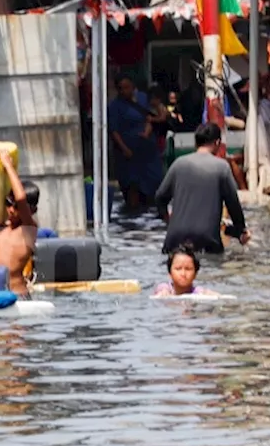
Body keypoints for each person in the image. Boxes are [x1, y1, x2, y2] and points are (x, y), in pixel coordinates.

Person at [156, 123, 251, 255]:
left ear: (196, 142)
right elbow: (233, 204)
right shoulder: (221, 167)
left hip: (175, 239)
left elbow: (160, 197)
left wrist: (167, 219)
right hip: (207, 240)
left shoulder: (178, 164)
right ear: (217, 143)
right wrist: (241, 231)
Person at [0, 151, 40, 298]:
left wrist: (9, 167)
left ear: (32, 210)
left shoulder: (28, 230)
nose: (10, 210)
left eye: (16, 206)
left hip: (17, 295)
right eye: (8, 204)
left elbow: (21, 198)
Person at [108, 74, 165, 213]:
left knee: (153, 185)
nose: (124, 91)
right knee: (132, 188)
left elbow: (156, 113)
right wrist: (124, 149)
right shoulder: (115, 106)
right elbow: (114, 131)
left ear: (133, 86)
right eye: (121, 88)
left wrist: (154, 120)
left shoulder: (143, 98)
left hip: (147, 152)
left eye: (127, 87)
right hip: (128, 155)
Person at [151, 245, 218, 297]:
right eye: (178, 269)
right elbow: (162, 288)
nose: (183, 274)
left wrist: (210, 294)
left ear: (195, 274)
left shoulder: (197, 292)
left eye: (188, 269)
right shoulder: (165, 288)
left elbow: (203, 291)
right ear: (170, 273)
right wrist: (164, 292)